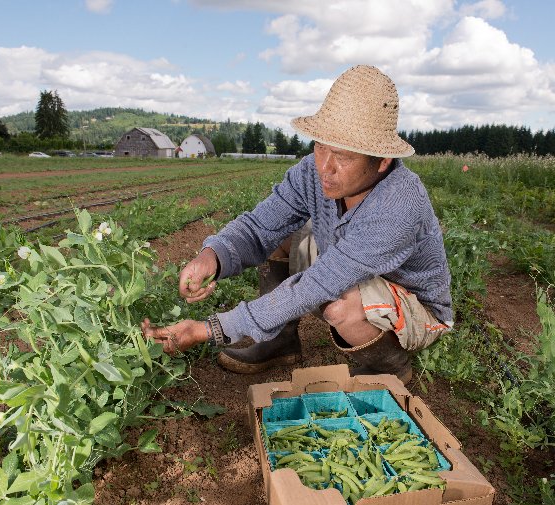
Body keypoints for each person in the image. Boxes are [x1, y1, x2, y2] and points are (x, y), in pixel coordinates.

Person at [141, 65, 453, 385]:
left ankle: (385, 368)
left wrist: (208, 329)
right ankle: (279, 342)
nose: (325, 167)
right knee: (282, 232)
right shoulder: (312, 172)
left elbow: (317, 284)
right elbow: (261, 225)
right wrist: (213, 256)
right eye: (320, 146)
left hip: (415, 309)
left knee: (343, 306)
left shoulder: (398, 205)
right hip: (346, 273)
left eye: (343, 156)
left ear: (381, 160)